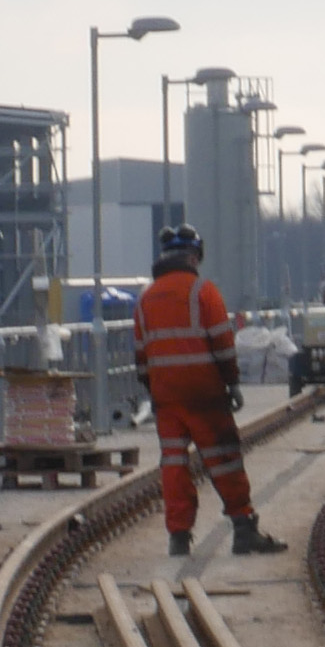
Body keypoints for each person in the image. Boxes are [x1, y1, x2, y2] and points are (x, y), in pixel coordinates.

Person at [131, 223, 284, 559]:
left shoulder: (145, 299)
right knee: (224, 459)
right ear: (194, 256)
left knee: (173, 463)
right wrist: (231, 383)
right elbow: (224, 345)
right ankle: (243, 528)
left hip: (166, 396)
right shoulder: (203, 291)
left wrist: (155, 389)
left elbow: (141, 355)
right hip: (204, 393)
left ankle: (179, 538)